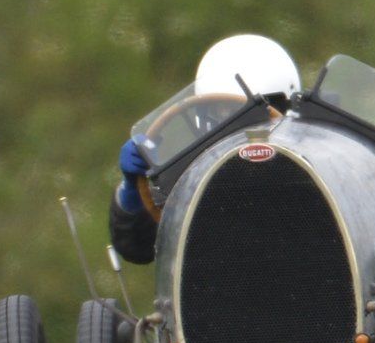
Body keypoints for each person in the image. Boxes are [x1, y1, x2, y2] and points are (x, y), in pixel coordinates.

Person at [110, 35, 301, 264]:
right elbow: (138, 249)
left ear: (285, 106)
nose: (238, 120)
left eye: (258, 109)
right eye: (223, 110)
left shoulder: (312, 166)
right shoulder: (192, 175)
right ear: (202, 109)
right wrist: (133, 191)